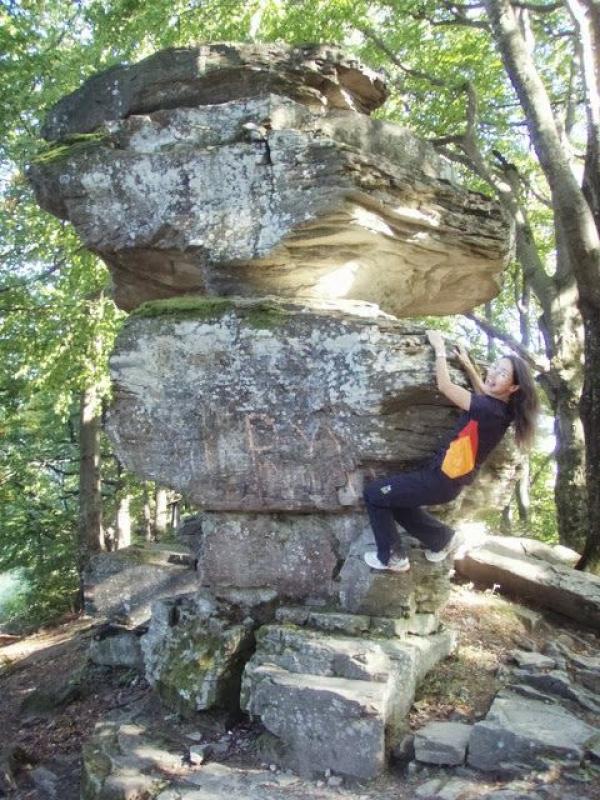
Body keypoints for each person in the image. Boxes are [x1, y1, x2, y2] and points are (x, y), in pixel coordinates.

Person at [363, 329, 540, 572]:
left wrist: (439, 349)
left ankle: (392, 558)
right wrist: (468, 366)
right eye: (494, 367)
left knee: (374, 494)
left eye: (502, 373)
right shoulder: (502, 410)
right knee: (397, 502)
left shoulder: (487, 409)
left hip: (439, 479)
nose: (493, 374)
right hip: (445, 481)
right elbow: (484, 393)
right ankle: (443, 539)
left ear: (513, 387)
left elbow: (445, 386)